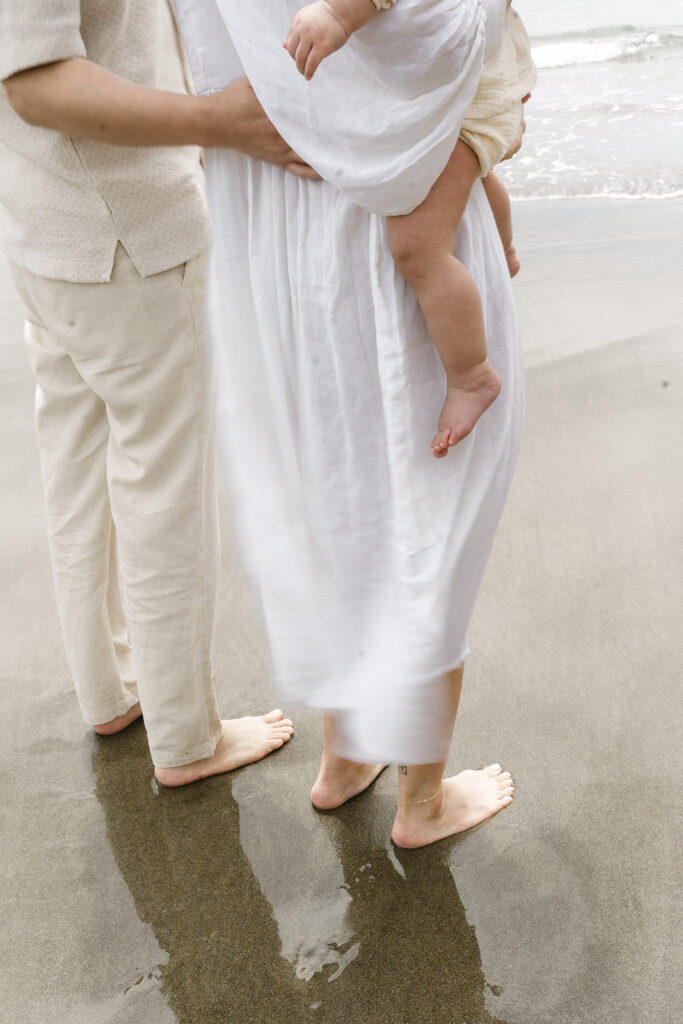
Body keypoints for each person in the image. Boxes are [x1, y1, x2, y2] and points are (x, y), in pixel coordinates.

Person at [174, 0, 520, 847]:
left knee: (336, 508)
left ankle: (343, 759)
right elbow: (443, 36)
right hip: (376, 218)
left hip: (270, 247)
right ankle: (424, 803)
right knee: (423, 528)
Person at [0, 0, 319, 785]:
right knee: (164, 491)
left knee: (80, 473)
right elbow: (35, 81)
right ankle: (186, 739)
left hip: (49, 227)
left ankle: (109, 693)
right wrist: (216, 120)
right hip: (127, 233)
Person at [285, 0, 536, 456]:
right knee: (468, 178)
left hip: (471, 94)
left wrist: (337, 13)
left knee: (417, 247)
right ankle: (506, 246)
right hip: (481, 80)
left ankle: (471, 376)